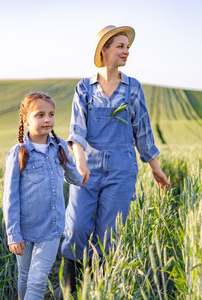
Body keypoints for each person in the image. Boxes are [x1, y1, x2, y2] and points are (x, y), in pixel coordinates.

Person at [58, 25, 171, 295]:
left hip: (122, 169)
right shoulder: (84, 88)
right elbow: (77, 131)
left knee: (108, 236)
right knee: (76, 229)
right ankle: (70, 292)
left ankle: (99, 291)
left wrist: (154, 166)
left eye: (127, 47)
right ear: (104, 50)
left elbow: (142, 130)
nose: (126, 51)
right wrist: (80, 161)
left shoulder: (133, 89)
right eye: (120, 46)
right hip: (86, 167)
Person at [3, 92, 83, 300]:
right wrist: (13, 235)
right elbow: (10, 197)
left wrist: (77, 169)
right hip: (25, 230)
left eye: (51, 114)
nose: (47, 120)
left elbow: (73, 177)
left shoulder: (60, 147)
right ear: (26, 119)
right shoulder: (19, 152)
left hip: (51, 229)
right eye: (40, 115)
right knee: (25, 277)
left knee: (37, 282)